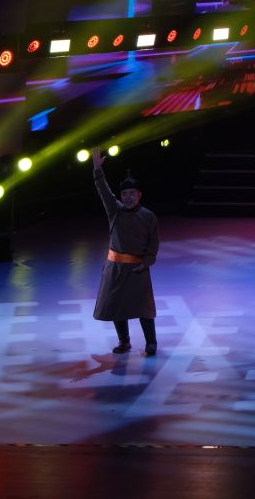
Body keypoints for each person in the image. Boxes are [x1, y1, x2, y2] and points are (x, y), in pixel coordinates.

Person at [91, 152, 159, 355]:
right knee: (116, 306)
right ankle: (124, 341)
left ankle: (151, 342)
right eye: (124, 194)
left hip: (137, 268)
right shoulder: (115, 210)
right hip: (116, 268)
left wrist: (146, 262)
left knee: (144, 308)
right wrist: (97, 170)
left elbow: (153, 243)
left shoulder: (148, 216)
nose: (128, 197)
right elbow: (104, 191)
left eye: (132, 193)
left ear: (139, 195)